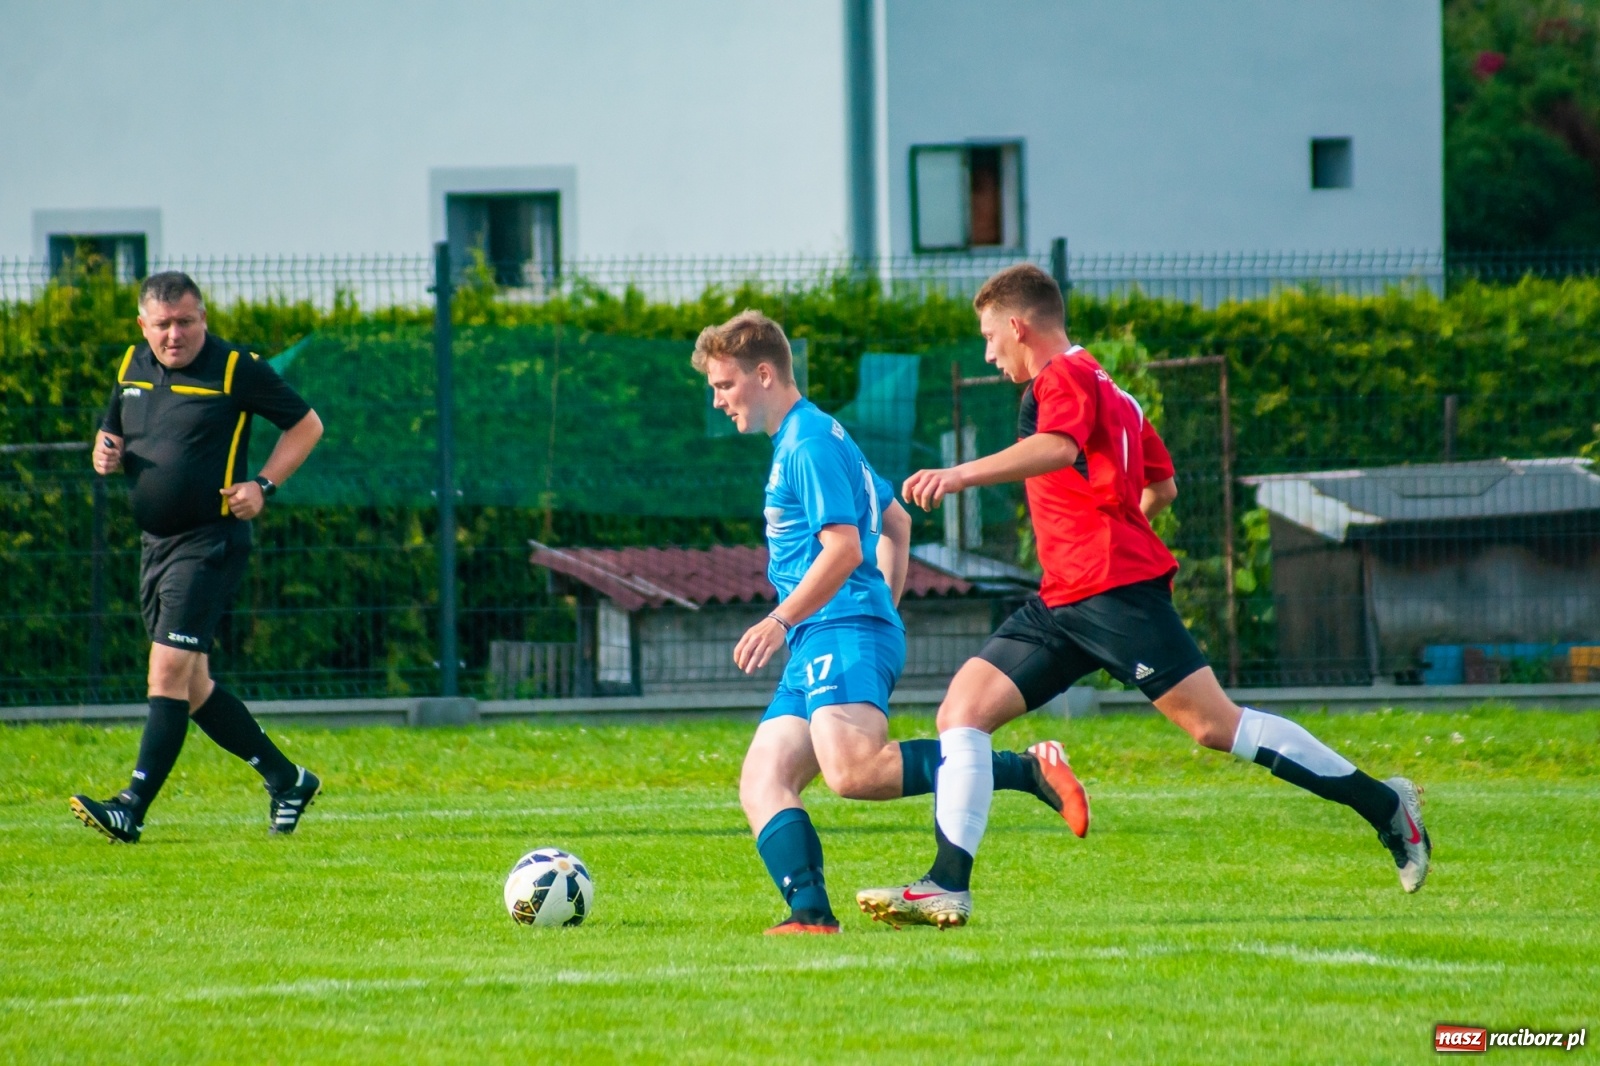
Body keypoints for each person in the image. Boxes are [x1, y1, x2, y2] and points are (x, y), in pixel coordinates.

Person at [856, 264, 1432, 929]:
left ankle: (1385, 806)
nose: (989, 354)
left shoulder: (1063, 378)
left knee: (1216, 726)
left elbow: (1058, 445)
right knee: (963, 712)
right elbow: (1160, 486)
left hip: (1110, 590)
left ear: (1018, 326)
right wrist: (1109, 520)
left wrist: (959, 475)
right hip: (1066, 595)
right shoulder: (1113, 389)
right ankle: (945, 884)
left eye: (990, 338)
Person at [693, 310, 1090, 935]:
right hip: (831, 631)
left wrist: (788, 617)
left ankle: (1022, 768)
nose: (718, 401)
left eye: (723, 386)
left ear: (763, 374)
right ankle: (810, 915)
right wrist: (882, 609)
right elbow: (897, 520)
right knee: (763, 777)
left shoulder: (809, 444)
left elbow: (846, 549)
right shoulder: (816, 435)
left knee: (853, 772)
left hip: (834, 628)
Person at [70, 271, 326, 843]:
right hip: (154, 548)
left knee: (165, 673)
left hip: (209, 542)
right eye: (162, 325)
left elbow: (307, 426)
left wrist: (263, 484)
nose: (175, 335)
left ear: (203, 318)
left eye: (186, 321)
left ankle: (130, 807)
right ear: (144, 325)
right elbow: (111, 434)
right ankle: (287, 779)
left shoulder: (236, 368)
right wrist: (104, 452)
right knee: (192, 687)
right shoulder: (130, 366)